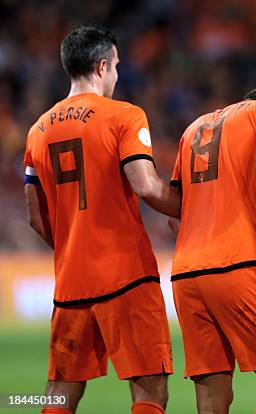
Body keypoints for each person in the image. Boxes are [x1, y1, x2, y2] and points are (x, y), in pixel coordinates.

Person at [23, 25, 181, 414]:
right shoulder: (123, 115)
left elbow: (35, 218)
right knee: (149, 390)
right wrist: (196, 210)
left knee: (60, 394)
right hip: (126, 277)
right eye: (116, 68)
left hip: (71, 283)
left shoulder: (37, 131)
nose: (116, 76)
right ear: (102, 66)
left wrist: (76, 248)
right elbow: (145, 186)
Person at [168, 85, 256, 414]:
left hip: (185, 274)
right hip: (235, 266)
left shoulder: (193, 129)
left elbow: (175, 211)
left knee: (212, 398)